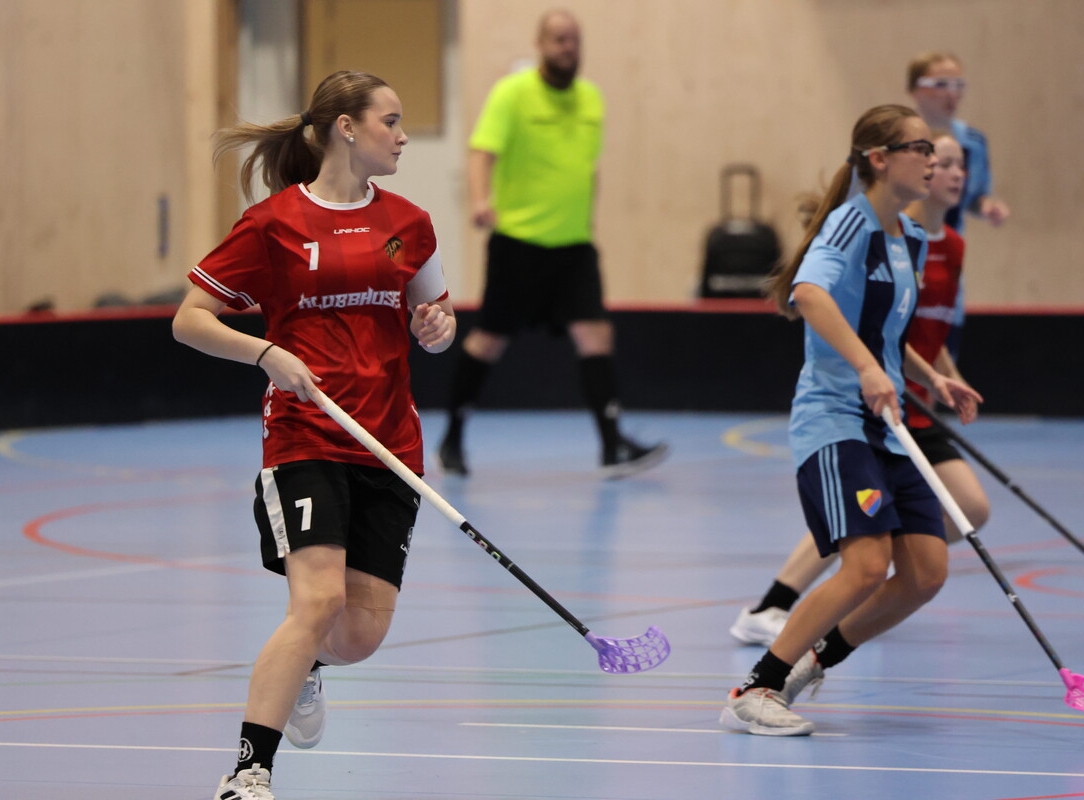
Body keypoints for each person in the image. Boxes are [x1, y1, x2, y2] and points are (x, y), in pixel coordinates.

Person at [172, 70, 456, 800]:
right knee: (318, 602)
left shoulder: (412, 223)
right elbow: (190, 319)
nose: (402, 136)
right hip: (305, 435)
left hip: (390, 443)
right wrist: (266, 353)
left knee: (358, 635)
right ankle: (248, 772)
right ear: (346, 129)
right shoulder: (274, 224)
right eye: (391, 121)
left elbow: (438, 318)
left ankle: (309, 668)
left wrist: (436, 328)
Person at [719, 105, 982, 736]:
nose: (933, 160)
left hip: (887, 425)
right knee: (865, 565)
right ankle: (756, 689)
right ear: (880, 160)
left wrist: (930, 377)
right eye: (921, 149)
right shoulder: (849, 223)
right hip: (835, 421)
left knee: (925, 573)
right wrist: (867, 369)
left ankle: (812, 662)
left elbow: (884, 331)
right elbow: (809, 295)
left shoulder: (910, 236)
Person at [436, 9, 667, 480]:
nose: (568, 47)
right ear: (540, 44)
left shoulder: (591, 99)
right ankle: (452, 438)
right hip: (519, 243)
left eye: (574, 39)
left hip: (574, 246)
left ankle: (612, 447)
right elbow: (482, 152)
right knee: (488, 340)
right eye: (559, 39)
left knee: (596, 335)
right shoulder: (512, 93)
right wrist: (480, 200)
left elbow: (584, 167)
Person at [907, 51, 1008, 359]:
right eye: (941, 84)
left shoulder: (973, 141)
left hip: (944, 258)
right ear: (915, 89)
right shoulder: (896, 139)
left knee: (940, 356)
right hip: (906, 251)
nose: (951, 93)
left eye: (958, 84)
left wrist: (986, 205)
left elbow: (973, 196)